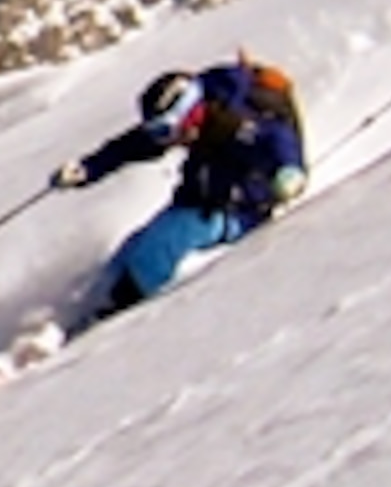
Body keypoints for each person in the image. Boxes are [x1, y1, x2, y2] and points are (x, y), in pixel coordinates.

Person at [53, 58, 307, 313]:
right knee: (135, 248)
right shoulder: (194, 118)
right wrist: (88, 168)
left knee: (170, 238)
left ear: (189, 116)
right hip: (200, 196)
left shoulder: (241, 123)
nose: (165, 140)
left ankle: (114, 308)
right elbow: (133, 145)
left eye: (165, 130)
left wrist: (289, 175)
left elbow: (278, 142)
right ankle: (82, 304)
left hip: (240, 208)